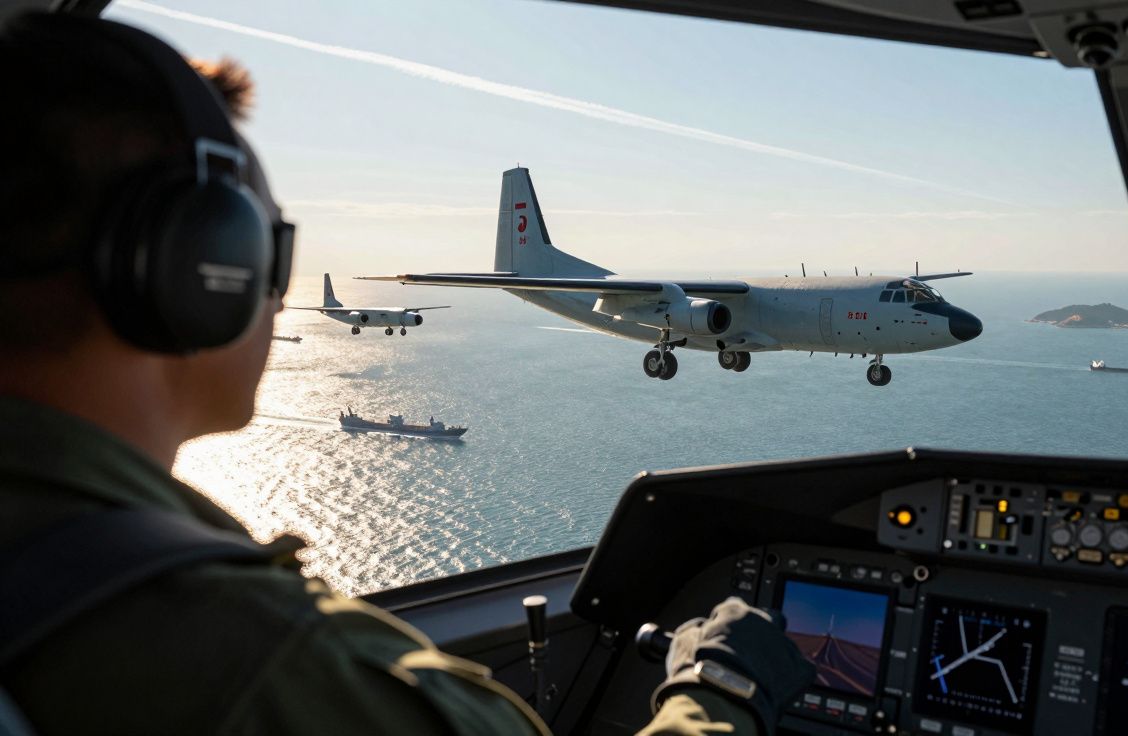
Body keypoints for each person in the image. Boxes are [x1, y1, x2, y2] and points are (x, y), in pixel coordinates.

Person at [0, 12, 811, 735]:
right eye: (264, 246)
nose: (274, 286)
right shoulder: (249, 651)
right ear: (201, 267)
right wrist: (721, 691)